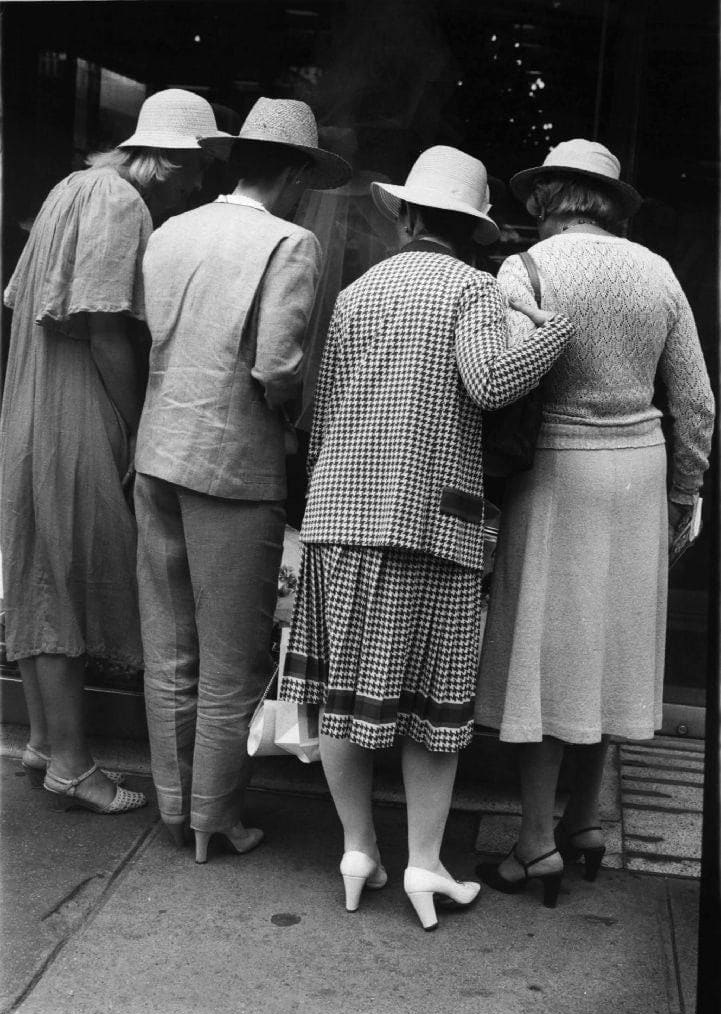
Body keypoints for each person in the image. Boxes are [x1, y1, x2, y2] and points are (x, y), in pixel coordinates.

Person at [278, 145, 575, 931]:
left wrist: (311, 509)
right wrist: (548, 335)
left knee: (341, 700)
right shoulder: (477, 291)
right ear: (473, 228)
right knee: (430, 709)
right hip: (430, 525)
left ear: (406, 215)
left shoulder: (358, 291)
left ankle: (355, 850)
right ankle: (424, 864)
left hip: (339, 515)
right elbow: (489, 383)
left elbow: (325, 407)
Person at [475, 139, 715, 905]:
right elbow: (698, 403)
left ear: (546, 199)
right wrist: (682, 495)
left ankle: (535, 842)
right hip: (639, 472)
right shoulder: (657, 272)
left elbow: (500, 380)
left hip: (556, 469)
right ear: (611, 204)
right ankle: (585, 824)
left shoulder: (527, 270)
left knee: (547, 656)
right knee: (609, 649)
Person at [134, 97, 352, 860]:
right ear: (292, 172)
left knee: (170, 649)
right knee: (233, 660)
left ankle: (173, 807)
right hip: (233, 464)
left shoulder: (172, 230)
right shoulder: (290, 243)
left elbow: (148, 330)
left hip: (157, 452)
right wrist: (295, 419)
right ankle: (214, 819)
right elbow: (277, 365)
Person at [0, 88, 225, 815]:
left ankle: (41, 741)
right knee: (64, 577)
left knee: (38, 571)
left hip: (30, 404)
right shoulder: (122, 203)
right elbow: (102, 327)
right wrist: (135, 425)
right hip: (76, 410)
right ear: (166, 161)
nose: (199, 185)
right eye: (195, 170)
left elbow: (18, 298)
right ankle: (72, 764)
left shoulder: (69, 186)